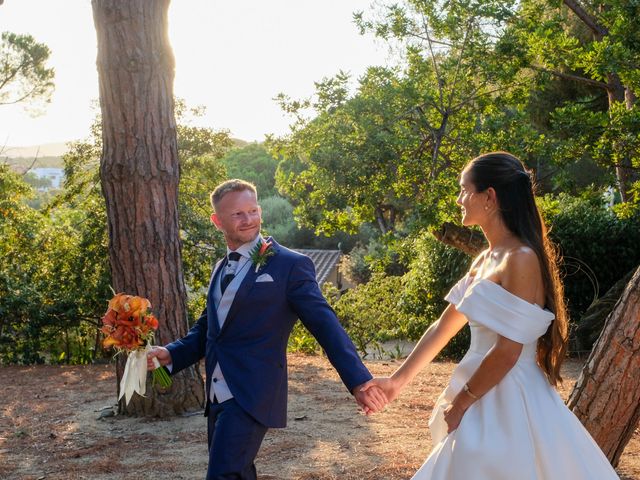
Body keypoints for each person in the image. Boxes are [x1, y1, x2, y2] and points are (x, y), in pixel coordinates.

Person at [366, 152, 619, 479]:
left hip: (508, 397)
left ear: (489, 197)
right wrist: (396, 382)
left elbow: (508, 350)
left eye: (464, 190)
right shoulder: (485, 257)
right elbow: (444, 326)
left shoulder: (521, 258)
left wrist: (461, 403)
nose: (458, 199)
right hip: (477, 390)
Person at [147, 179, 386, 480]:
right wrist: (172, 354)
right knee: (238, 473)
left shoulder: (290, 265)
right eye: (237, 214)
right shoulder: (222, 266)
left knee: (223, 475)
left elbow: (325, 325)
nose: (248, 220)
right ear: (217, 221)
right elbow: (211, 326)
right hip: (217, 394)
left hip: (252, 392)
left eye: (252, 210)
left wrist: (358, 381)